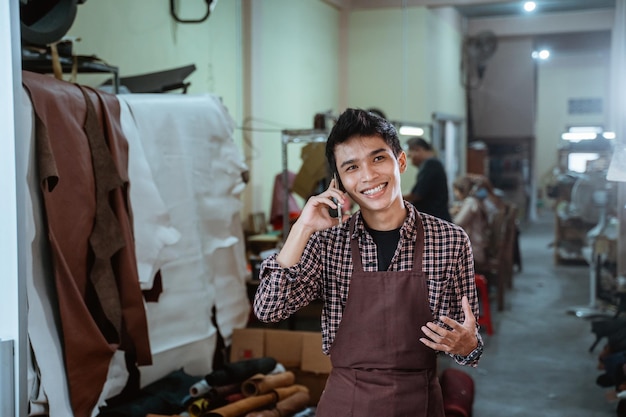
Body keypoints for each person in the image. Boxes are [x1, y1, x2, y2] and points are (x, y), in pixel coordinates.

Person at [254, 108, 483, 417]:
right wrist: (302, 228)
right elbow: (269, 309)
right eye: (351, 167)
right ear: (339, 182)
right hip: (346, 404)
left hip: (420, 404)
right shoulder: (328, 243)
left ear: (400, 161)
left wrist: (467, 346)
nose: (368, 176)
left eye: (378, 159)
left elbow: (468, 341)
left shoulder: (449, 241)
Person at [403, 137, 452, 222]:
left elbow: (417, 194)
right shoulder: (433, 164)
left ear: (418, 150)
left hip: (435, 220)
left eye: (410, 156)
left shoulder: (430, 164)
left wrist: (395, 198)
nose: (411, 161)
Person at [450, 175, 489, 269]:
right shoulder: (475, 201)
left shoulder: (470, 202)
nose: (455, 194)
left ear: (461, 190)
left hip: (473, 252)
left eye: (455, 191)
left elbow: (457, 224)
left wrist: (450, 214)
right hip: (478, 248)